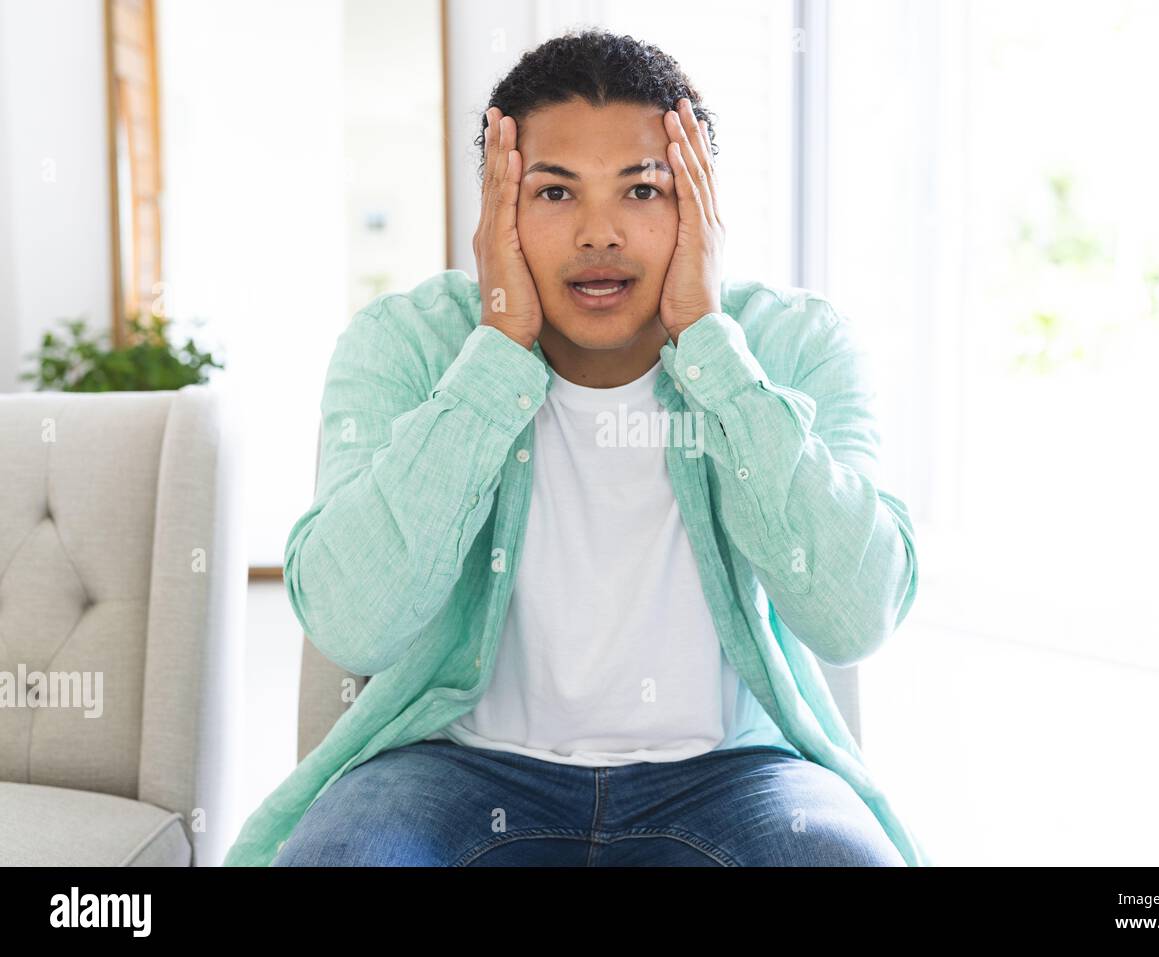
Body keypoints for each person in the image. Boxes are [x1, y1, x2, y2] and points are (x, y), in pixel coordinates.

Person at [228, 28, 927, 868]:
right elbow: (350, 622)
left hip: (732, 774)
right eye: (555, 194)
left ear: (701, 205)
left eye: (643, 190)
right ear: (498, 208)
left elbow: (855, 617)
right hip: (453, 770)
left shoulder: (794, 343)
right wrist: (494, 352)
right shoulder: (403, 343)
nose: (600, 233)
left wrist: (709, 340)